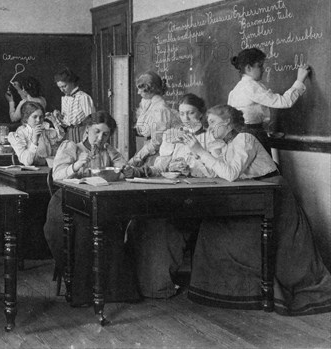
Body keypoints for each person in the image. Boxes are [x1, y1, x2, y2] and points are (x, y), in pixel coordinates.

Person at [180, 104, 331, 315]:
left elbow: (230, 173)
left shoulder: (245, 139)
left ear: (228, 122)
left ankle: (247, 291)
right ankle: (230, 291)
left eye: (213, 122)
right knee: (212, 226)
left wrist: (201, 151)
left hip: (274, 197)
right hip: (256, 195)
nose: (209, 127)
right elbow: (219, 172)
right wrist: (198, 158)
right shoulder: (227, 145)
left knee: (221, 230)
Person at [123, 94, 222, 298]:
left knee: (164, 226)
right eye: (182, 113)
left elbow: (214, 170)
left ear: (201, 114)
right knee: (141, 222)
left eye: (191, 113)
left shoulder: (211, 137)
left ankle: (158, 284)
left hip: (201, 195)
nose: (185, 118)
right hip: (174, 189)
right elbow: (160, 165)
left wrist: (190, 167)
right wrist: (168, 165)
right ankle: (138, 282)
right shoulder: (173, 135)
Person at [43, 111, 140, 306]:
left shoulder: (109, 150)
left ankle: (112, 290)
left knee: (110, 226)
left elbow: (125, 169)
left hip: (97, 201)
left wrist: (128, 170)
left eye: (105, 134)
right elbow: (57, 175)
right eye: (96, 132)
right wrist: (77, 165)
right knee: (85, 227)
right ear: (87, 130)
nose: (100, 138)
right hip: (67, 201)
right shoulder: (71, 147)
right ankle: (83, 291)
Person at [227, 47, 310, 153]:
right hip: (254, 137)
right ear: (248, 68)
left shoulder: (236, 90)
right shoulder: (251, 86)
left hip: (242, 138)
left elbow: (248, 116)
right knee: (265, 168)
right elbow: (284, 102)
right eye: (260, 66)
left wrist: (267, 130)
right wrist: (300, 80)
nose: (263, 69)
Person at [129, 71, 181, 167]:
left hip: (162, 154)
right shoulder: (148, 103)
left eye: (141, 89)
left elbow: (156, 142)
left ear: (150, 90)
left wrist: (137, 157)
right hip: (148, 150)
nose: (138, 92)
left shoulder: (160, 110)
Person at [8, 101, 63, 166]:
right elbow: (27, 162)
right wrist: (34, 141)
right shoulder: (20, 134)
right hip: (29, 172)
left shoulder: (44, 130)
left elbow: (60, 137)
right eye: (35, 117)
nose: (38, 120)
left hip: (46, 168)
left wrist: (54, 121)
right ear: (26, 118)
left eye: (41, 117)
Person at [50, 68, 95, 143]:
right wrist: (58, 116)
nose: (62, 90)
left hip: (82, 134)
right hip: (69, 135)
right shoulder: (65, 99)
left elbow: (92, 119)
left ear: (71, 82)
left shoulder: (83, 97)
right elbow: (66, 123)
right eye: (60, 87)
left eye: (64, 86)